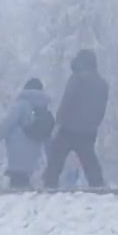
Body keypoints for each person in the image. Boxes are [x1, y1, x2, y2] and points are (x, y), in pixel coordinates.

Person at [43, 49, 110, 189]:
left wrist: (59, 121)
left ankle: (49, 185)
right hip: (88, 131)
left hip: (68, 128)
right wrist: (94, 124)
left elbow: (67, 100)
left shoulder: (76, 80)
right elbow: (101, 109)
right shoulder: (103, 84)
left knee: (56, 159)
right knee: (89, 160)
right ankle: (97, 185)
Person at [0, 78, 55, 190]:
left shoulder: (21, 104)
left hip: (17, 143)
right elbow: (47, 131)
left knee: (16, 170)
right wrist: (50, 154)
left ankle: (16, 187)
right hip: (34, 143)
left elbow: (8, 123)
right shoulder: (44, 107)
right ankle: (23, 185)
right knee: (24, 171)